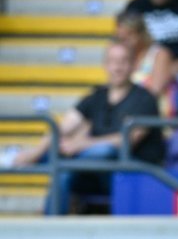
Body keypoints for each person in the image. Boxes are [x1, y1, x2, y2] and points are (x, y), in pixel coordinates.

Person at [12, 42, 165, 214]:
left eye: (123, 61)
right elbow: (62, 127)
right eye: (113, 61)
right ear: (105, 65)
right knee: (58, 161)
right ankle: (49, 225)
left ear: (133, 65)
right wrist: (36, 152)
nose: (118, 67)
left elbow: (127, 140)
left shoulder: (145, 99)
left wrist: (80, 145)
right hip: (92, 171)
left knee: (102, 151)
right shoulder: (97, 96)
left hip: (129, 173)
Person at [115, 12, 178, 117]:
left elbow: (154, 92)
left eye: (129, 36)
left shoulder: (160, 55)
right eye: (121, 38)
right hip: (128, 114)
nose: (124, 42)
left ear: (141, 34)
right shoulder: (124, 58)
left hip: (155, 116)